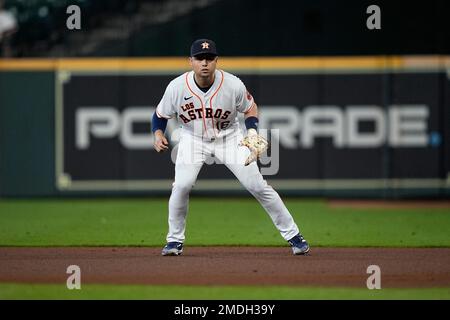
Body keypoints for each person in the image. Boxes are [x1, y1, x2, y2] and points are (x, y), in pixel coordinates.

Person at [152, 39, 310, 256]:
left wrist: (252, 131)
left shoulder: (233, 84)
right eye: (199, 58)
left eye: (209, 58)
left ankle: (294, 236)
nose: (204, 63)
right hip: (193, 139)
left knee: (257, 185)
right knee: (181, 186)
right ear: (190, 61)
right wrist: (158, 134)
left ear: (216, 61)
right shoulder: (176, 87)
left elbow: (250, 107)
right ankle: (174, 241)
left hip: (230, 138)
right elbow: (160, 115)